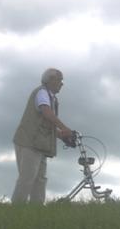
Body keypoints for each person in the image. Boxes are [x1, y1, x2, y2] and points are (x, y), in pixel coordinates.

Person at [11, 68, 74, 204]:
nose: (62, 84)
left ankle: (37, 208)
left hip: (38, 143)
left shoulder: (50, 97)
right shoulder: (42, 93)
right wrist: (64, 128)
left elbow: (45, 125)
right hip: (29, 141)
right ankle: (16, 208)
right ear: (50, 80)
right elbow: (46, 112)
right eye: (60, 80)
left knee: (40, 178)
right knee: (27, 177)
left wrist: (61, 136)